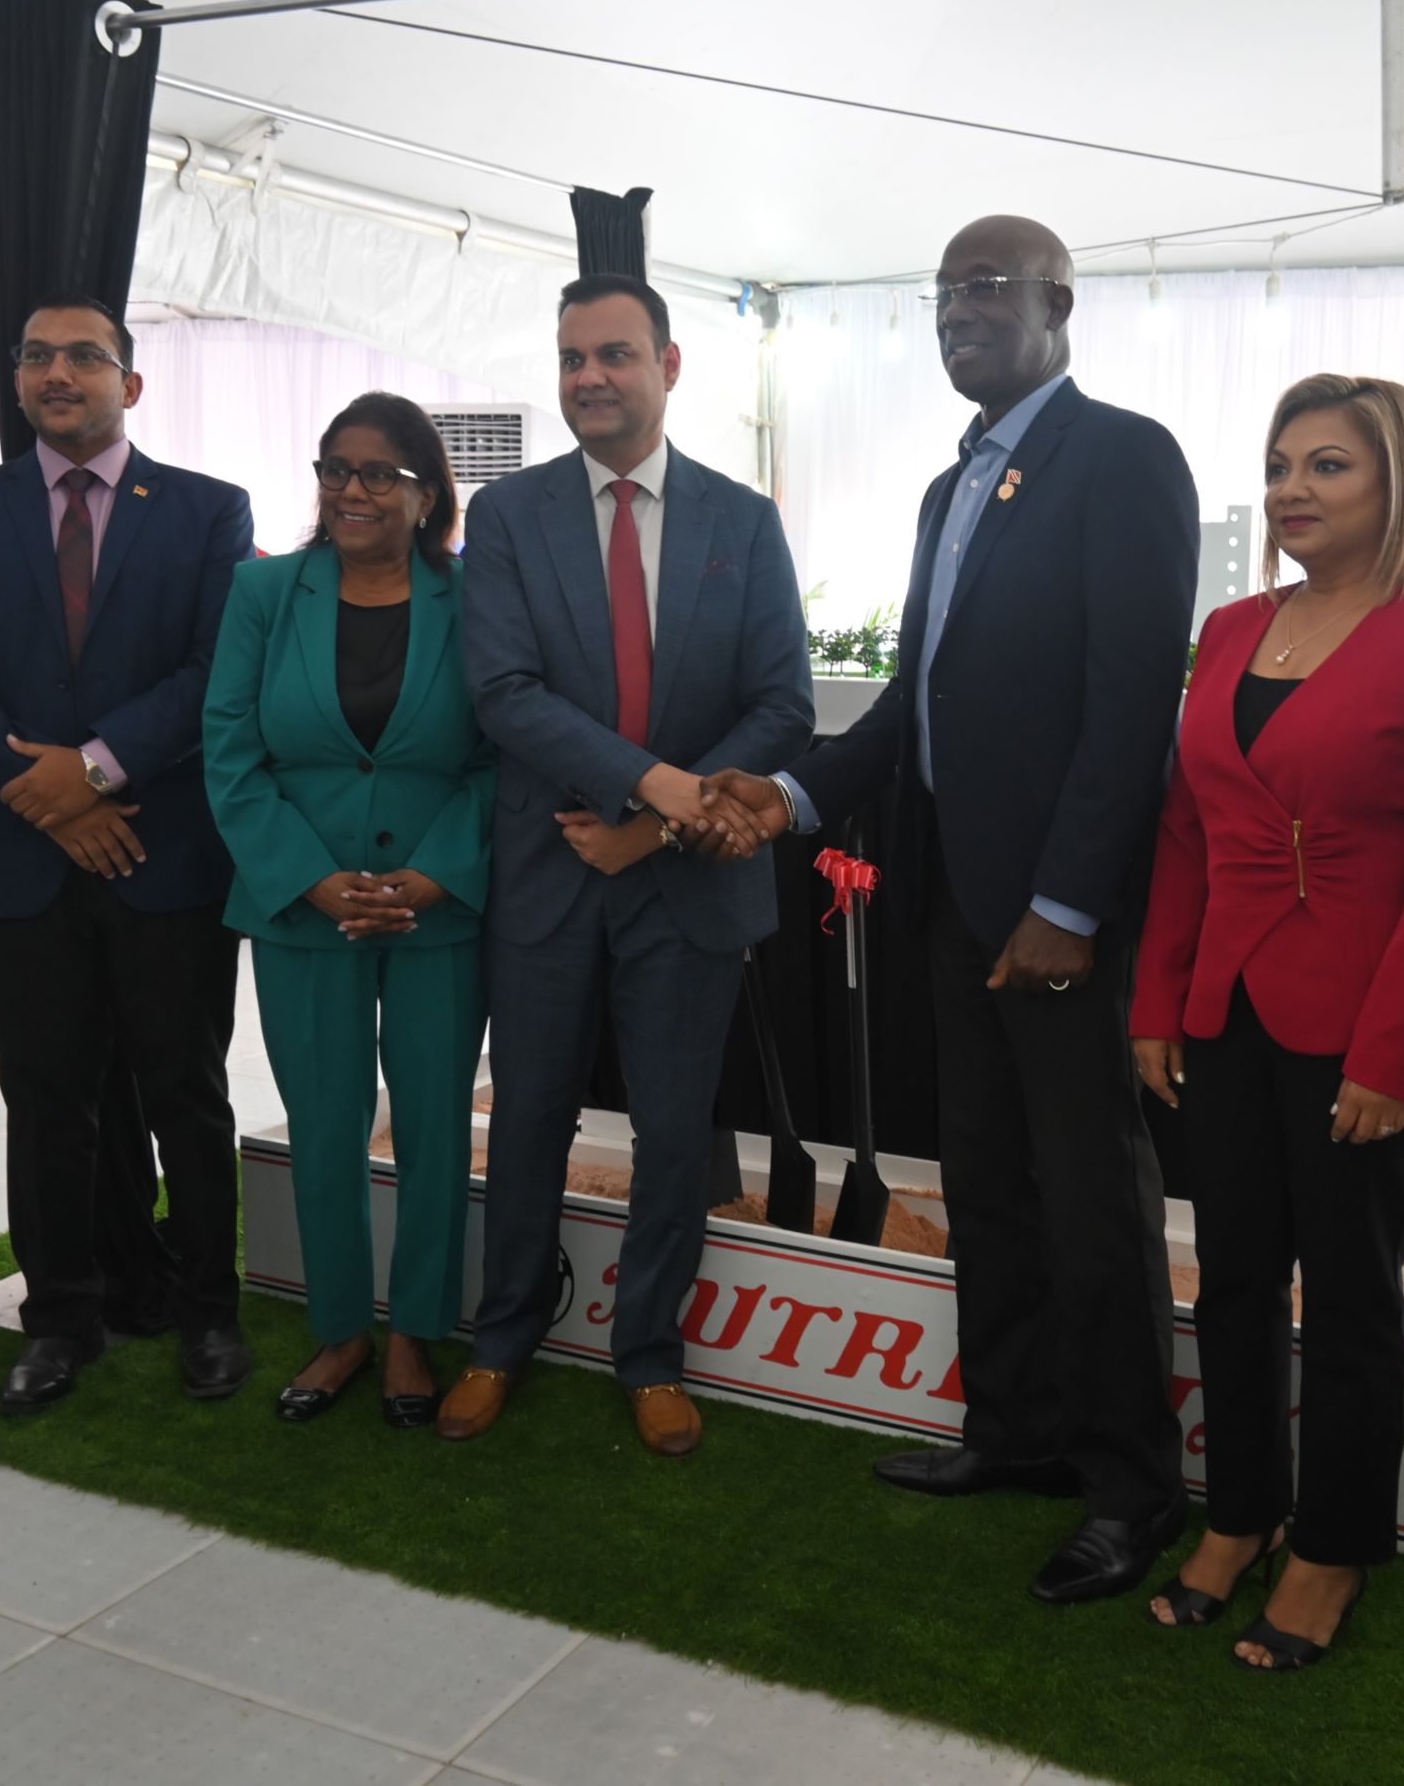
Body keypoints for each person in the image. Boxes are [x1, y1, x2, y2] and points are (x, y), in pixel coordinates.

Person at [703, 215, 1197, 1602]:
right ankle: (1018, 1432)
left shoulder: (1125, 458)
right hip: (951, 909)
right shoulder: (949, 489)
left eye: (986, 287)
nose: (956, 313)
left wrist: (1066, 904)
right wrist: (783, 798)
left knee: (1090, 1201)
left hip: (1055, 922)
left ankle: (1132, 1487)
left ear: (1060, 304)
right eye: (941, 294)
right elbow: (910, 711)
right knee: (983, 1183)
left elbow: (1131, 705)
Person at [1130, 375, 1404, 1668]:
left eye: (1328, 465)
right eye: (1279, 465)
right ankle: (1240, 1514)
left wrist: (1396, 1055)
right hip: (1227, 1006)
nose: (1291, 488)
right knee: (1234, 1278)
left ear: (1397, 480)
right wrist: (1158, 999)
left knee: (1349, 1296)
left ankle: (1333, 1547)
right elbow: (1188, 830)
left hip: (1374, 1020)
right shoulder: (1232, 627)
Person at [444, 273, 811, 1458]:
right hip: (548, 873)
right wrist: (655, 785)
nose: (589, 377)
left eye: (613, 354)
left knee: (672, 1132)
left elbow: (782, 706)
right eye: (571, 359)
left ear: (669, 365)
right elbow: (504, 694)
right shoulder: (509, 516)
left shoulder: (741, 522)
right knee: (528, 1120)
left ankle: (649, 1355)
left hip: (687, 879)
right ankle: (502, 1337)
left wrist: (657, 824)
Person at [0, 293, 255, 1414]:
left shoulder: (208, 509)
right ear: (16, 381)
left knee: (185, 1093)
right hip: (17, 861)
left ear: (129, 383)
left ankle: (208, 1309)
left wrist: (92, 770)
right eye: (37, 356)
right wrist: (48, 797)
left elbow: (214, 671)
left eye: (85, 356)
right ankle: (60, 1317)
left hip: (163, 853)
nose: (59, 373)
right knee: (45, 1100)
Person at [203, 393, 492, 1426]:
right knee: (323, 1123)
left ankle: (415, 1331)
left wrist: (436, 871)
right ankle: (338, 1330)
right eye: (335, 469)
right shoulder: (263, 591)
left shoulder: (477, 597)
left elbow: (504, 750)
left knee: (432, 1125)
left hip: (434, 910)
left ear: (427, 493)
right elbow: (229, 748)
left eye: (377, 473)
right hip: (302, 907)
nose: (351, 490)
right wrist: (310, 877)